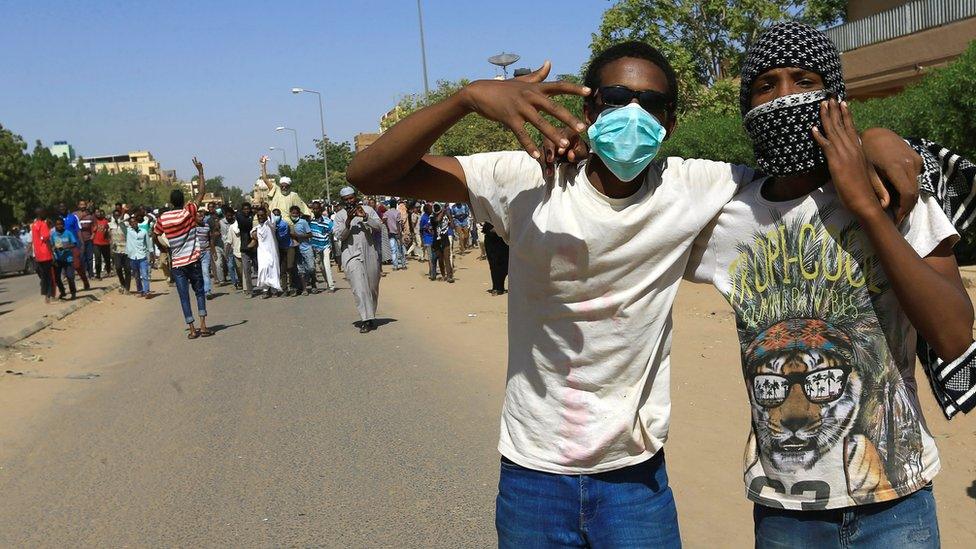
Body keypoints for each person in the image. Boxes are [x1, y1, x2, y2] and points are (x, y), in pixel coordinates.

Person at [346, 40, 944, 546]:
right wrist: (466, 97)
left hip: (637, 483)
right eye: (615, 100)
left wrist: (876, 137)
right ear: (587, 106)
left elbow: (796, 162)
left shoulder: (697, 186)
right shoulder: (523, 178)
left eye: (652, 104)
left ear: (671, 123)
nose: (632, 114)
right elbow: (368, 174)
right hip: (533, 475)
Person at [682, 22, 974, 547]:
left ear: (835, 97)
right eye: (765, 85)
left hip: (896, 501)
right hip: (784, 509)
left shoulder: (897, 186)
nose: (785, 98)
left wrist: (865, 205)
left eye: (804, 79)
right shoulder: (729, 214)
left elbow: (955, 334)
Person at [152, 157, 212, 339]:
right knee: (199, 292)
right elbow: (201, 193)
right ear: (183, 200)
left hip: (177, 264)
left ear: (171, 202)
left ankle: (192, 329)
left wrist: (164, 249)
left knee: (184, 296)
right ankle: (203, 326)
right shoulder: (189, 211)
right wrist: (200, 171)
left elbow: (155, 235)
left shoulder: (163, 219)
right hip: (193, 260)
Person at [333, 187, 382, 333]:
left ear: (356, 197)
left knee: (372, 287)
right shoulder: (340, 216)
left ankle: (371, 315)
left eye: (351, 198)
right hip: (351, 254)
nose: (349, 201)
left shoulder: (368, 210)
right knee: (359, 288)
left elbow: (379, 226)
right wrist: (348, 221)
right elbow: (339, 236)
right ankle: (365, 319)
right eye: (346, 199)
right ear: (343, 201)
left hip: (370, 252)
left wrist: (365, 217)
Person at [251, 205, 282, 298]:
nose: (260, 217)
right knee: (263, 270)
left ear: (265, 216)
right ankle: (265, 290)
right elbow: (252, 233)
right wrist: (253, 234)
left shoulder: (270, 225)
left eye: (262, 215)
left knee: (273, 270)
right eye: (258, 216)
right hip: (262, 253)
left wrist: (266, 208)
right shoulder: (257, 227)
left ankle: (274, 290)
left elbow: (271, 217)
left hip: (272, 252)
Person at [59, 202, 90, 291]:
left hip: (74, 244)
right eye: (60, 208)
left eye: (63, 207)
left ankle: (85, 281)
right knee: (68, 268)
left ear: (66, 208)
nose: (62, 209)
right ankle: (72, 288)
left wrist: (82, 243)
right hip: (63, 247)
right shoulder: (58, 219)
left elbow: (78, 230)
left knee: (77, 265)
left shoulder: (73, 217)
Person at [309, 201, 337, 292]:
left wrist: (332, 246)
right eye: (314, 209)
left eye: (317, 208)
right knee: (321, 267)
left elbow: (333, 231)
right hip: (315, 247)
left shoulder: (327, 221)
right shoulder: (310, 221)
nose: (315, 210)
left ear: (321, 210)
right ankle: (328, 283)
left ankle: (331, 286)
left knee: (327, 265)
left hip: (325, 246)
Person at [30, 208, 55, 303]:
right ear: (41, 214)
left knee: (43, 276)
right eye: (44, 212)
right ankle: (49, 295)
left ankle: (45, 294)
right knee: (49, 276)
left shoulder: (33, 225)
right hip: (45, 253)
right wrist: (52, 253)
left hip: (38, 254)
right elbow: (46, 240)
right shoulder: (43, 225)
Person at [50, 217, 77, 301]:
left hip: (68, 259)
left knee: (70, 277)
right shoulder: (53, 235)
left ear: (63, 225)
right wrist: (53, 248)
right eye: (57, 224)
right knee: (57, 278)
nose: (59, 226)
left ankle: (73, 293)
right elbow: (51, 246)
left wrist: (65, 246)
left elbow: (74, 243)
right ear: (55, 226)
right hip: (58, 259)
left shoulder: (68, 233)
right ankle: (62, 292)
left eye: (61, 224)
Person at [126, 213, 152, 298]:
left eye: (135, 222)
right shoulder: (128, 231)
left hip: (142, 256)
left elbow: (148, 243)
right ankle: (140, 290)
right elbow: (120, 222)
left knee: (144, 274)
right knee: (136, 276)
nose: (134, 223)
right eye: (132, 222)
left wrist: (151, 254)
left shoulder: (144, 232)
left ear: (137, 222)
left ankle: (147, 291)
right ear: (130, 224)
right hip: (133, 257)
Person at [289, 205, 313, 295]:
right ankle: (304, 289)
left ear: (299, 214)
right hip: (296, 250)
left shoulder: (303, 222)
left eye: (296, 213)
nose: (294, 215)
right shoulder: (289, 223)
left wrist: (298, 236)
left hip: (306, 248)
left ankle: (313, 283)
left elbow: (310, 234)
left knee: (311, 268)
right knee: (300, 270)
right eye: (293, 213)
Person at [235, 202, 256, 296]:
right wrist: (252, 219)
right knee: (247, 270)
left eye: (248, 209)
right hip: (244, 247)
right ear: (242, 210)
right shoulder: (240, 217)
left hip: (255, 247)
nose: (247, 211)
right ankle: (250, 290)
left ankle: (266, 288)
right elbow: (246, 224)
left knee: (261, 268)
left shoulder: (253, 216)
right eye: (245, 209)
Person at [483, 221, 508, 295]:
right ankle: (497, 287)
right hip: (491, 239)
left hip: (504, 239)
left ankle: (501, 287)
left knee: (506, 264)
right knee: (494, 264)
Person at [430, 203, 454, 283]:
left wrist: (449, 215)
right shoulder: (432, 217)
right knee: (440, 259)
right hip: (436, 241)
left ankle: (449, 276)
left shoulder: (445, 217)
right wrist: (443, 211)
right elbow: (437, 220)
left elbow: (452, 226)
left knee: (447, 258)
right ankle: (444, 275)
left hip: (445, 240)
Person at [108, 209, 131, 294]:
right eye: (115, 215)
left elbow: (129, 236)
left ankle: (127, 288)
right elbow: (110, 237)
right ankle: (122, 283)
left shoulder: (125, 225)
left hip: (126, 250)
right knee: (118, 268)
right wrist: (111, 248)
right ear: (113, 216)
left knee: (127, 269)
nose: (117, 217)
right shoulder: (111, 225)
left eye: (118, 215)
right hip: (116, 250)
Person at [195, 209, 215, 298]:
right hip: (195, 253)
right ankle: (200, 290)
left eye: (202, 216)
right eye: (199, 216)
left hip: (206, 252)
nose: (201, 218)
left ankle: (207, 291)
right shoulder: (192, 227)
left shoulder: (207, 226)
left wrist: (213, 250)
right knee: (197, 274)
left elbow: (210, 238)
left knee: (205, 271)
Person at [382, 199, 406, 270]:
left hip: (390, 233)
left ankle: (395, 266)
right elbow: (398, 224)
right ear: (396, 205)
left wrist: (388, 228)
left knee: (393, 250)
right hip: (397, 232)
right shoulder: (397, 213)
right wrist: (399, 233)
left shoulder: (386, 213)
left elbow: (384, 220)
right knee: (400, 249)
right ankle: (403, 265)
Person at [74, 200, 95, 280]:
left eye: (84, 205)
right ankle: (84, 274)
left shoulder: (90, 215)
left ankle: (91, 274)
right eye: (81, 204)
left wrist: (93, 234)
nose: (82, 206)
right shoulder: (75, 215)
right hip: (79, 239)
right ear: (78, 206)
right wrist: (82, 215)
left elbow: (94, 225)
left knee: (89, 257)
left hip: (89, 239)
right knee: (82, 257)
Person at [220, 205, 240, 289]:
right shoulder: (221, 222)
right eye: (227, 216)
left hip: (235, 245)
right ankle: (234, 281)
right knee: (230, 265)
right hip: (226, 246)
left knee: (237, 266)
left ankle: (240, 280)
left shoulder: (236, 223)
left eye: (231, 215)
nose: (229, 217)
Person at [92, 209, 111, 279]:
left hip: (105, 243)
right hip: (96, 243)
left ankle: (108, 271)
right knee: (97, 259)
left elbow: (108, 232)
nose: (98, 214)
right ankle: (98, 274)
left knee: (107, 258)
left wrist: (109, 239)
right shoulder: (93, 222)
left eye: (99, 212)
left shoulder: (105, 221)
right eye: (96, 212)